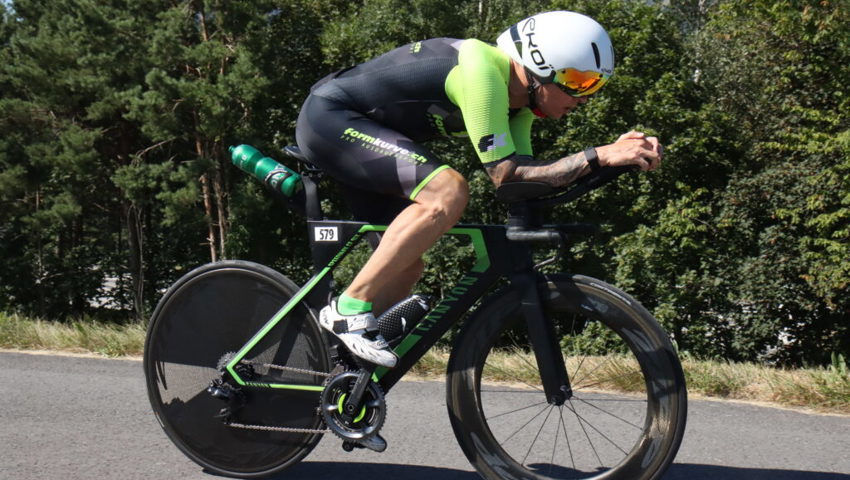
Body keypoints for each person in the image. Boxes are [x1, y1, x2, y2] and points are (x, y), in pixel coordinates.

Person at [295, 11, 662, 370]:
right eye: (579, 81)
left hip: (365, 137)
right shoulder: (483, 71)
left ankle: (337, 375)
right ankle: (348, 309)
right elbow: (505, 174)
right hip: (330, 118)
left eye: (595, 86)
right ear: (537, 67)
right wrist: (598, 155)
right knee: (447, 190)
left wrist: (610, 160)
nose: (584, 97)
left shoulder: (519, 108)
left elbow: (523, 182)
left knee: (404, 268)